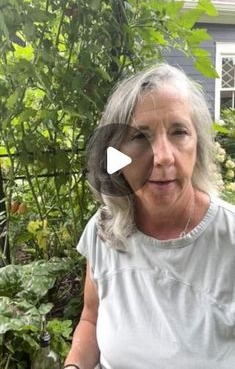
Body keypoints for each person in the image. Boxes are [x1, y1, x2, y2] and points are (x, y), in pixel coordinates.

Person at [64, 63, 235, 369]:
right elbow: (91, 318)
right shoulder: (104, 230)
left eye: (178, 132)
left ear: (198, 146)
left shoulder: (229, 240)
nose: (163, 157)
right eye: (140, 137)